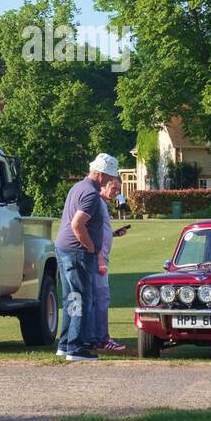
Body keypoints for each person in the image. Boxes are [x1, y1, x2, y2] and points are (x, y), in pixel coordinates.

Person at [53, 153, 119, 362]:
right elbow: (77, 224)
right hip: (77, 251)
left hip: (64, 248)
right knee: (82, 298)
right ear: (100, 174)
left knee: (72, 297)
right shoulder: (90, 193)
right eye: (109, 177)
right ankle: (76, 347)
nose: (111, 181)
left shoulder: (78, 187)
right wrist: (91, 248)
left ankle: (65, 344)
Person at [90, 177, 131, 352]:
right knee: (101, 298)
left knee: (97, 299)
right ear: (104, 185)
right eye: (114, 188)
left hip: (99, 257)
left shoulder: (101, 203)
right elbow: (91, 232)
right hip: (98, 259)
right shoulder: (97, 202)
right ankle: (101, 340)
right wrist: (100, 259)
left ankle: (95, 338)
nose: (116, 192)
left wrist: (113, 234)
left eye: (118, 189)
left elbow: (100, 231)